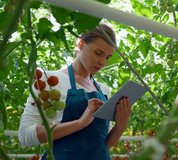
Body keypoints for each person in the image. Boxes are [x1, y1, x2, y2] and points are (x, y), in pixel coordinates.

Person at [18, 24, 132, 160]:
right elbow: (24, 136)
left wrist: (121, 126)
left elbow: (103, 146)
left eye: (108, 57)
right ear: (81, 43)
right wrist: (79, 123)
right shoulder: (48, 80)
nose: (102, 62)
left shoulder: (104, 91)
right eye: (98, 53)